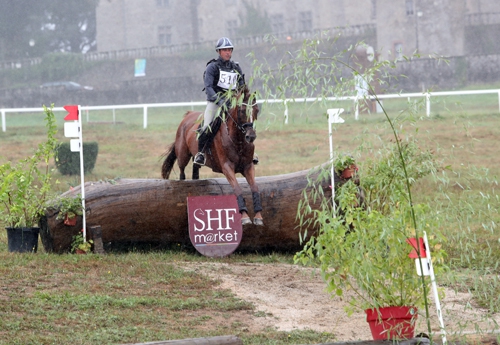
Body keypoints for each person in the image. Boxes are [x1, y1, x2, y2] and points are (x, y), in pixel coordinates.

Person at [194, 37, 245, 166]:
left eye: (229, 50)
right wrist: (220, 100)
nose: (228, 52)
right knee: (207, 125)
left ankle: (249, 153)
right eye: (224, 50)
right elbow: (209, 87)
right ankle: (200, 154)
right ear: (219, 52)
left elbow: (241, 86)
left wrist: (240, 100)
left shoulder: (236, 68)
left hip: (232, 103)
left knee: (246, 124)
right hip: (215, 103)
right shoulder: (212, 67)